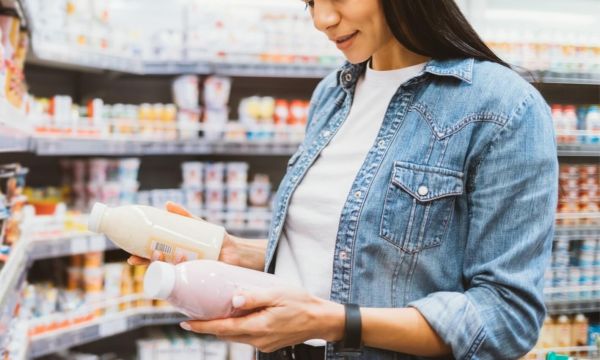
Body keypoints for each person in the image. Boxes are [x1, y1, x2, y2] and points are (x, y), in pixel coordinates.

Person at [130, 0, 558, 359]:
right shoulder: (331, 96)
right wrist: (233, 251)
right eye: (311, 2)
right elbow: (347, 253)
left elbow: (507, 317)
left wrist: (335, 322)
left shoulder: (504, 108)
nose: (322, 19)